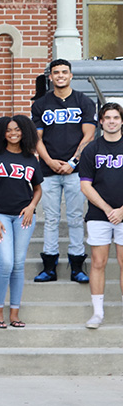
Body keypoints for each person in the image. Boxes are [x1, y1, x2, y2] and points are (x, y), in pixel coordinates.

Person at [31, 59, 96, 284]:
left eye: (64, 72)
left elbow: (89, 135)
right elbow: (36, 138)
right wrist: (48, 160)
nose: (60, 76)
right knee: (51, 218)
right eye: (56, 72)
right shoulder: (40, 104)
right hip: (48, 170)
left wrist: (74, 161)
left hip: (76, 171)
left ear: (71, 75)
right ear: (50, 77)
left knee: (76, 218)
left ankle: (77, 265)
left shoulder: (84, 101)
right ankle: (49, 266)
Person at [0, 115, 42, 329]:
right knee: (5, 263)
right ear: (1, 133)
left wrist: (32, 207)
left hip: (24, 217)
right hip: (1, 216)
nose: (13, 133)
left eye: (17, 129)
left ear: (24, 132)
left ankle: (14, 313)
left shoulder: (31, 159)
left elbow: (38, 188)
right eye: (8, 130)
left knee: (18, 264)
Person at [79, 103, 123, 329]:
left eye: (116, 117)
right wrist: (107, 209)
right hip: (99, 214)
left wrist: (121, 210)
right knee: (98, 262)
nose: (112, 121)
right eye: (108, 118)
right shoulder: (92, 149)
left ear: (122, 121)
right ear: (101, 122)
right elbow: (85, 185)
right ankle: (97, 313)